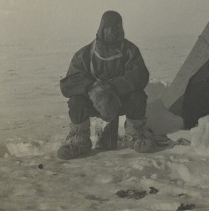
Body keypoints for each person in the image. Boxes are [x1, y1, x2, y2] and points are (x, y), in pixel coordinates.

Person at [57, 10, 154, 160]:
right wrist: (93, 88)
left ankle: (135, 135)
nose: (111, 31)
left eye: (115, 27)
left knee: (138, 96)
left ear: (121, 28)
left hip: (121, 100)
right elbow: (69, 83)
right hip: (94, 103)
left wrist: (114, 87)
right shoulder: (85, 54)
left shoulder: (130, 51)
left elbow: (140, 75)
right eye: (107, 27)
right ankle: (79, 141)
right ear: (101, 28)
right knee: (76, 101)